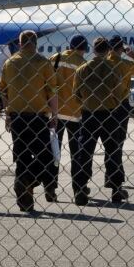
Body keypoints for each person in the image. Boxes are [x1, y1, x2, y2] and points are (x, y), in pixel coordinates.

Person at [0, 30, 58, 212]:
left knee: (22, 157)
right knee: (45, 157)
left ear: (20, 43)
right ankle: (29, 180)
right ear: (36, 42)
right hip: (37, 116)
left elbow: (3, 90)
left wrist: (7, 114)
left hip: (17, 116)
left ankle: (25, 199)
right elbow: (52, 91)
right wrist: (55, 115)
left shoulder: (10, 63)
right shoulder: (43, 62)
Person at [71, 37, 127, 205]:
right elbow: (121, 93)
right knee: (113, 151)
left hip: (89, 114)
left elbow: (75, 94)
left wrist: (87, 102)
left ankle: (81, 188)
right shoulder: (114, 69)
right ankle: (116, 189)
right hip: (110, 114)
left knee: (84, 152)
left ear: (93, 50)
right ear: (108, 50)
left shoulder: (82, 69)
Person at [46, 34, 88, 201]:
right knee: (76, 154)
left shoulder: (55, 58)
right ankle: (78, 189)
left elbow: (46, 81)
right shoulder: (84, 64)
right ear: (84, 49)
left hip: (54, 112)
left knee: (53, 153)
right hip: (75, 114)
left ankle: (50, 188)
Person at [106, 35, 134, 197]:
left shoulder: (104, 63)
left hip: (102, 105)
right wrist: (133, 56)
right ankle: (113, 179)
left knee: (100, 143)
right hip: (120, 106)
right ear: (121, 49)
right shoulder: (125, 64)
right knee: (117, 144)